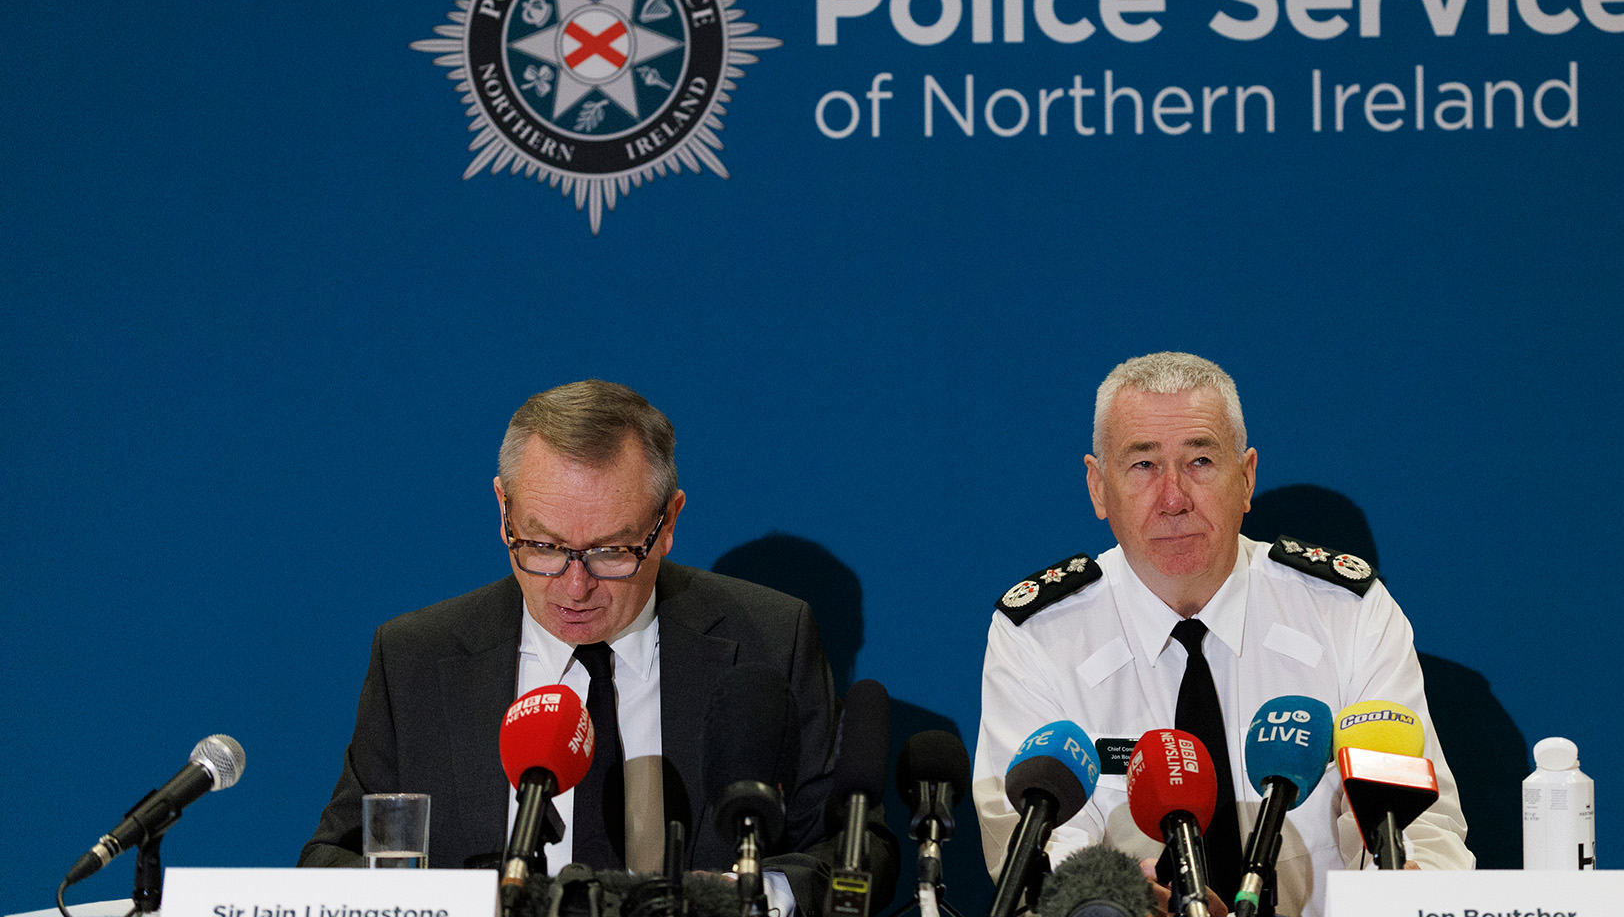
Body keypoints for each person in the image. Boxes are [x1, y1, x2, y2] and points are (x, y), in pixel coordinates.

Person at [301, 379, 892, 916]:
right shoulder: (416, 660)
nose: (574, 585)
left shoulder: (770, 638)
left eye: (611, 551)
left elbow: (853, 850)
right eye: (542, 544)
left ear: (668, 523)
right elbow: (331, 861)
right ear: (503, 509)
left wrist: (747, 900)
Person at [973, 353, 1471, 917]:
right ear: (1097, 487)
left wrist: (1404, 891)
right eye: (1142, 466)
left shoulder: (1347, 614)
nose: (1174, 499)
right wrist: (1114, 901)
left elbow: (1418, 825)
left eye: (1201, 460)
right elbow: (1036, 850)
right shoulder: (1038, 636)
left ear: (1246, 476)